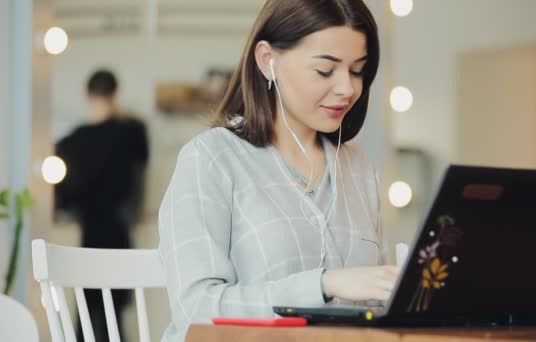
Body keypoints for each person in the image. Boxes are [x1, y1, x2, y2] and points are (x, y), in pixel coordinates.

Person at [158, 1, 399, 340]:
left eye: (357, 70)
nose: (348, 88)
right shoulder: (211, 159)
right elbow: (194, 310)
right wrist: (323, 283)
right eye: (326, 71)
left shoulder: (361, 170)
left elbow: (377, 303)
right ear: (267, 61)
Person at [55, 69, 149, 342]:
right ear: (115, 94)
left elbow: (63, 195)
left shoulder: (72, 142)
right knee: (113, 320)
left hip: (90, 233)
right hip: (117, 232)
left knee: (85, 317)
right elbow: (140, 163)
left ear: (87, 95)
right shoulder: (131, 132)